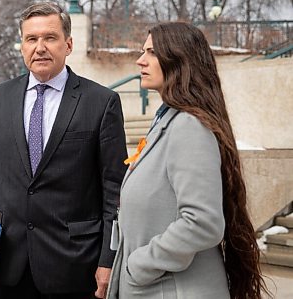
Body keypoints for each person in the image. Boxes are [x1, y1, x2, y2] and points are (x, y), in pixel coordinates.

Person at [0, 2, 128, 299]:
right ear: (21, 47)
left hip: (76, 265)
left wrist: (109, 258)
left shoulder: (101, 102)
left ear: (68, 45)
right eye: (31, 39)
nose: (40, 47)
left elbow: (114, 190)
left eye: (50, 38)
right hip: (9, 265)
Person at [107, 22, 268, 299]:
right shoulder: (166, 122)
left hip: (173, 290)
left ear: (179, 60)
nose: (140, 60)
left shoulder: (188, 127)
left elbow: (203, 221)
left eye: (152, 52)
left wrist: (139, 266)